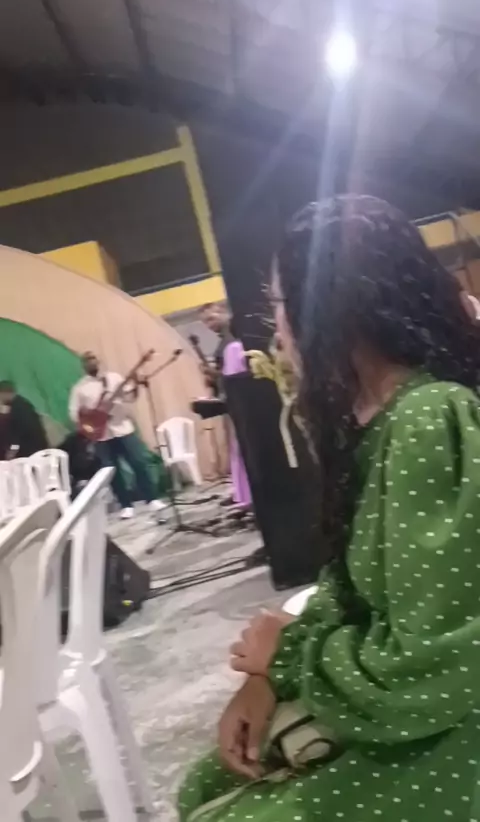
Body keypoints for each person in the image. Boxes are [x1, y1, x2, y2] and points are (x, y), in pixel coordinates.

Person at [179, 195, 480, 822]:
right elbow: (349, 591)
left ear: (330, 308)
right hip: (409, 707)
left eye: (279, 305)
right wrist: (268, 678)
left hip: (455, 733)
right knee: (205, 783)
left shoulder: (428, 419)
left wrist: (288, 656)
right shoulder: (379, 423)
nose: (276, 333)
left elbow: (436, 666)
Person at [69, 351, 165, 519]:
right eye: (87, 361)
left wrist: (135, 385)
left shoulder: (114, 378)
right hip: (101, 435)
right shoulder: (80, 388)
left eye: (93, 359)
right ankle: (125, 505)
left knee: (139, 462)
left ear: (98, 361)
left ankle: (152, 499)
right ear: (83, 365)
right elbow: (73, 413)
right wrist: (91, 415)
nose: (91, 363)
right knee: (112, 471)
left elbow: (129, 397)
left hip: (123, 428)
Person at [200, 303, 252, 510]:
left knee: (242, 448)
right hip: (231, 400)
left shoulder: (234, 339)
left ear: (223, 312)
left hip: (241, 400)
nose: (209, 325)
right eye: (205, 322)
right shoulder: (224, 341)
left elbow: (234, 372)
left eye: (211, 318)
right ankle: (242, 492)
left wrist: (215, 375)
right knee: (236, 448)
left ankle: (247, 494)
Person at [0, 380, 48, 459]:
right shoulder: (20, 403)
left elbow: (18, 434)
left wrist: (12, 451)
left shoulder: (19, 409)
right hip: (35, 448)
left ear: (4, 394)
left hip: (30, 451)